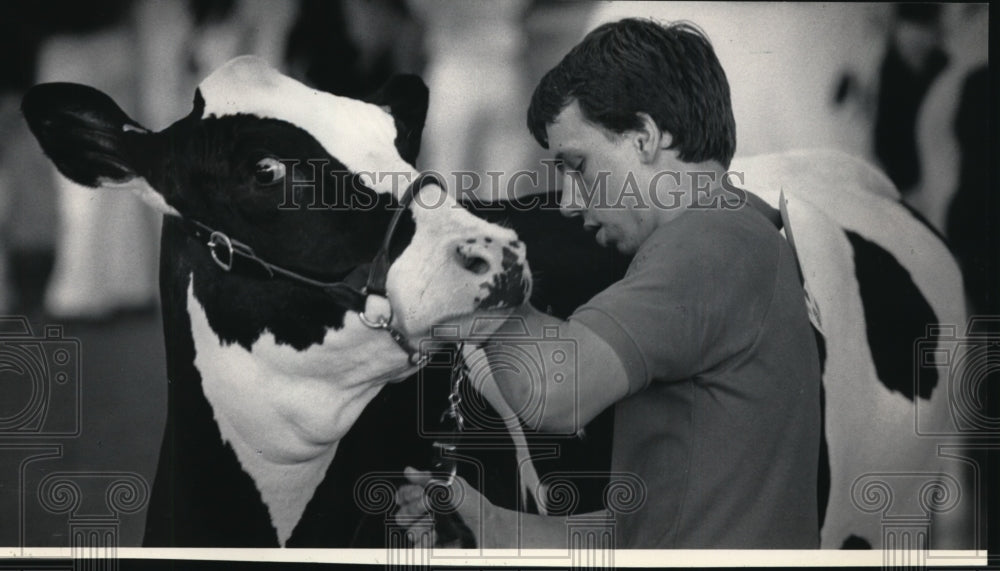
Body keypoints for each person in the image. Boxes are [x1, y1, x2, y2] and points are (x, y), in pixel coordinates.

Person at [396, 17, 822, 549]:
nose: (571, 203)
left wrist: (477, 273)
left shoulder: (706, 240)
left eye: (578, 166)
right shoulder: (743, 234)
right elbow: (655, 535)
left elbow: (553, 392)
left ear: (645, 136)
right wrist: (493, 525)